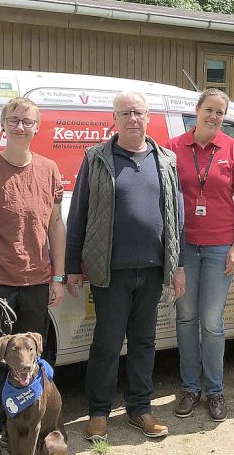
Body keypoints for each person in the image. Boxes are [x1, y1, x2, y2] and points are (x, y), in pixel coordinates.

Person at [65, 91, 185, 443]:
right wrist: (73, 265)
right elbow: (78, 215)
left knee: (145, 342)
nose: (133, 119)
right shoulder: (97, 158)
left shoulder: (166, 160)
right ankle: (99, 413)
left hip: (152, 270)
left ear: (149, 117)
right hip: (110, 271)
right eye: (125, 113)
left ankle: (140, 408)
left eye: (139, 113)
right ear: (113, 119)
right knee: (106, 343)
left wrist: (176, 267)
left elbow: (176, 218)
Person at [0, 97, 67, 455]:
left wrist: (58, 277)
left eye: (27, 121)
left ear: (37, 127)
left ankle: (22, 433)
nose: (20, 126)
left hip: (37, 282)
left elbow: (56, 224)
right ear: (3, 124)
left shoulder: (51, 170)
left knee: (31, 366)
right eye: (13, 120)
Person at [165, 88, 234, 422]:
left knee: (212, 323)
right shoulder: (174, 147)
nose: (214, 117)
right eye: (209, 110)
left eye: (220, 112)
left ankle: (215, 390)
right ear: (197, 110)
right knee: (186, 318)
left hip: (220, 248)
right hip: (185, 247)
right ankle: (190, 387)